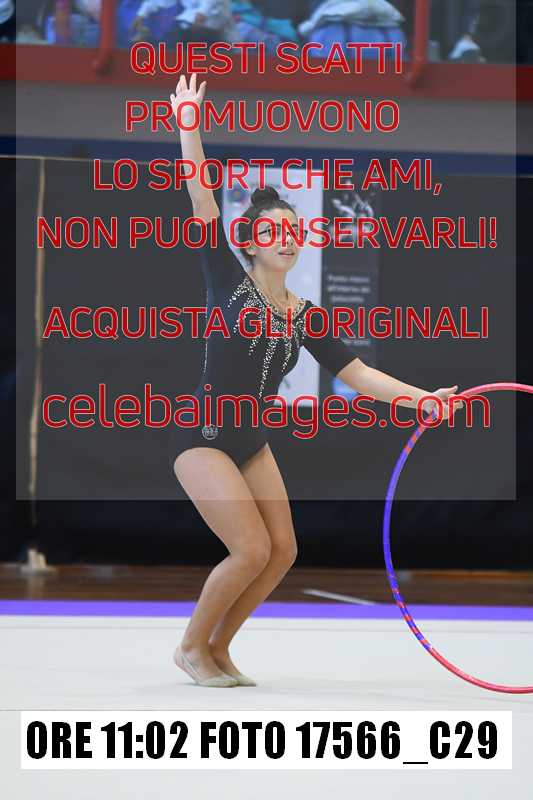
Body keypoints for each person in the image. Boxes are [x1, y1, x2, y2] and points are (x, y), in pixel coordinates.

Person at [168, 73, 464, 688]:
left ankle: (219, 646)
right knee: (250, 549)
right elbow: (201, 198)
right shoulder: (228, 282)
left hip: (250, 440)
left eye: (293, 230)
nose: (286, 239)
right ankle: (191, 647)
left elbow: (360, 374)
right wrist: (189, 128)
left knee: (282, 551)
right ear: (251, 243)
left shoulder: (307, 316)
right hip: (202, 438)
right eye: (272, 231)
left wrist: (423, 400)